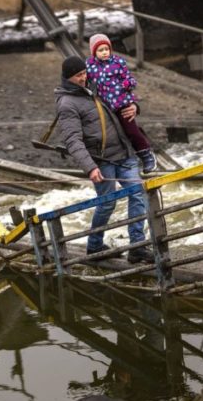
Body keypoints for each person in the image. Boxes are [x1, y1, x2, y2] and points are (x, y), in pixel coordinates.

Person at [54, 56, 153, 264]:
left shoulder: (97, 86)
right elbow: (73, 140)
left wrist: (134, 105)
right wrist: (90, 167)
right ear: (67, 78)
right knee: (108, 203)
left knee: (137, 194)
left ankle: (138, 247)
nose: (83, 78)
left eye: (83, 73)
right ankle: (95, 246)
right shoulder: (67, 104)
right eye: (78, 76)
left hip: (124, 153)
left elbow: (121, 98)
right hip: (101, 160)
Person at [86, 34, 157, 174]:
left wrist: (126, 84)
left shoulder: (118, 62)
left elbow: (130, 79)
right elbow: (83, 79)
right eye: (100, 50)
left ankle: (146, 155)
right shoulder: (90, 66)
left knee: (131, 130)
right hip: (105, 106)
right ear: (94, 52)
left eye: (107, 49)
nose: (105, 52)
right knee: (114, 134)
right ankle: (125, 161)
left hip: (121, 102)